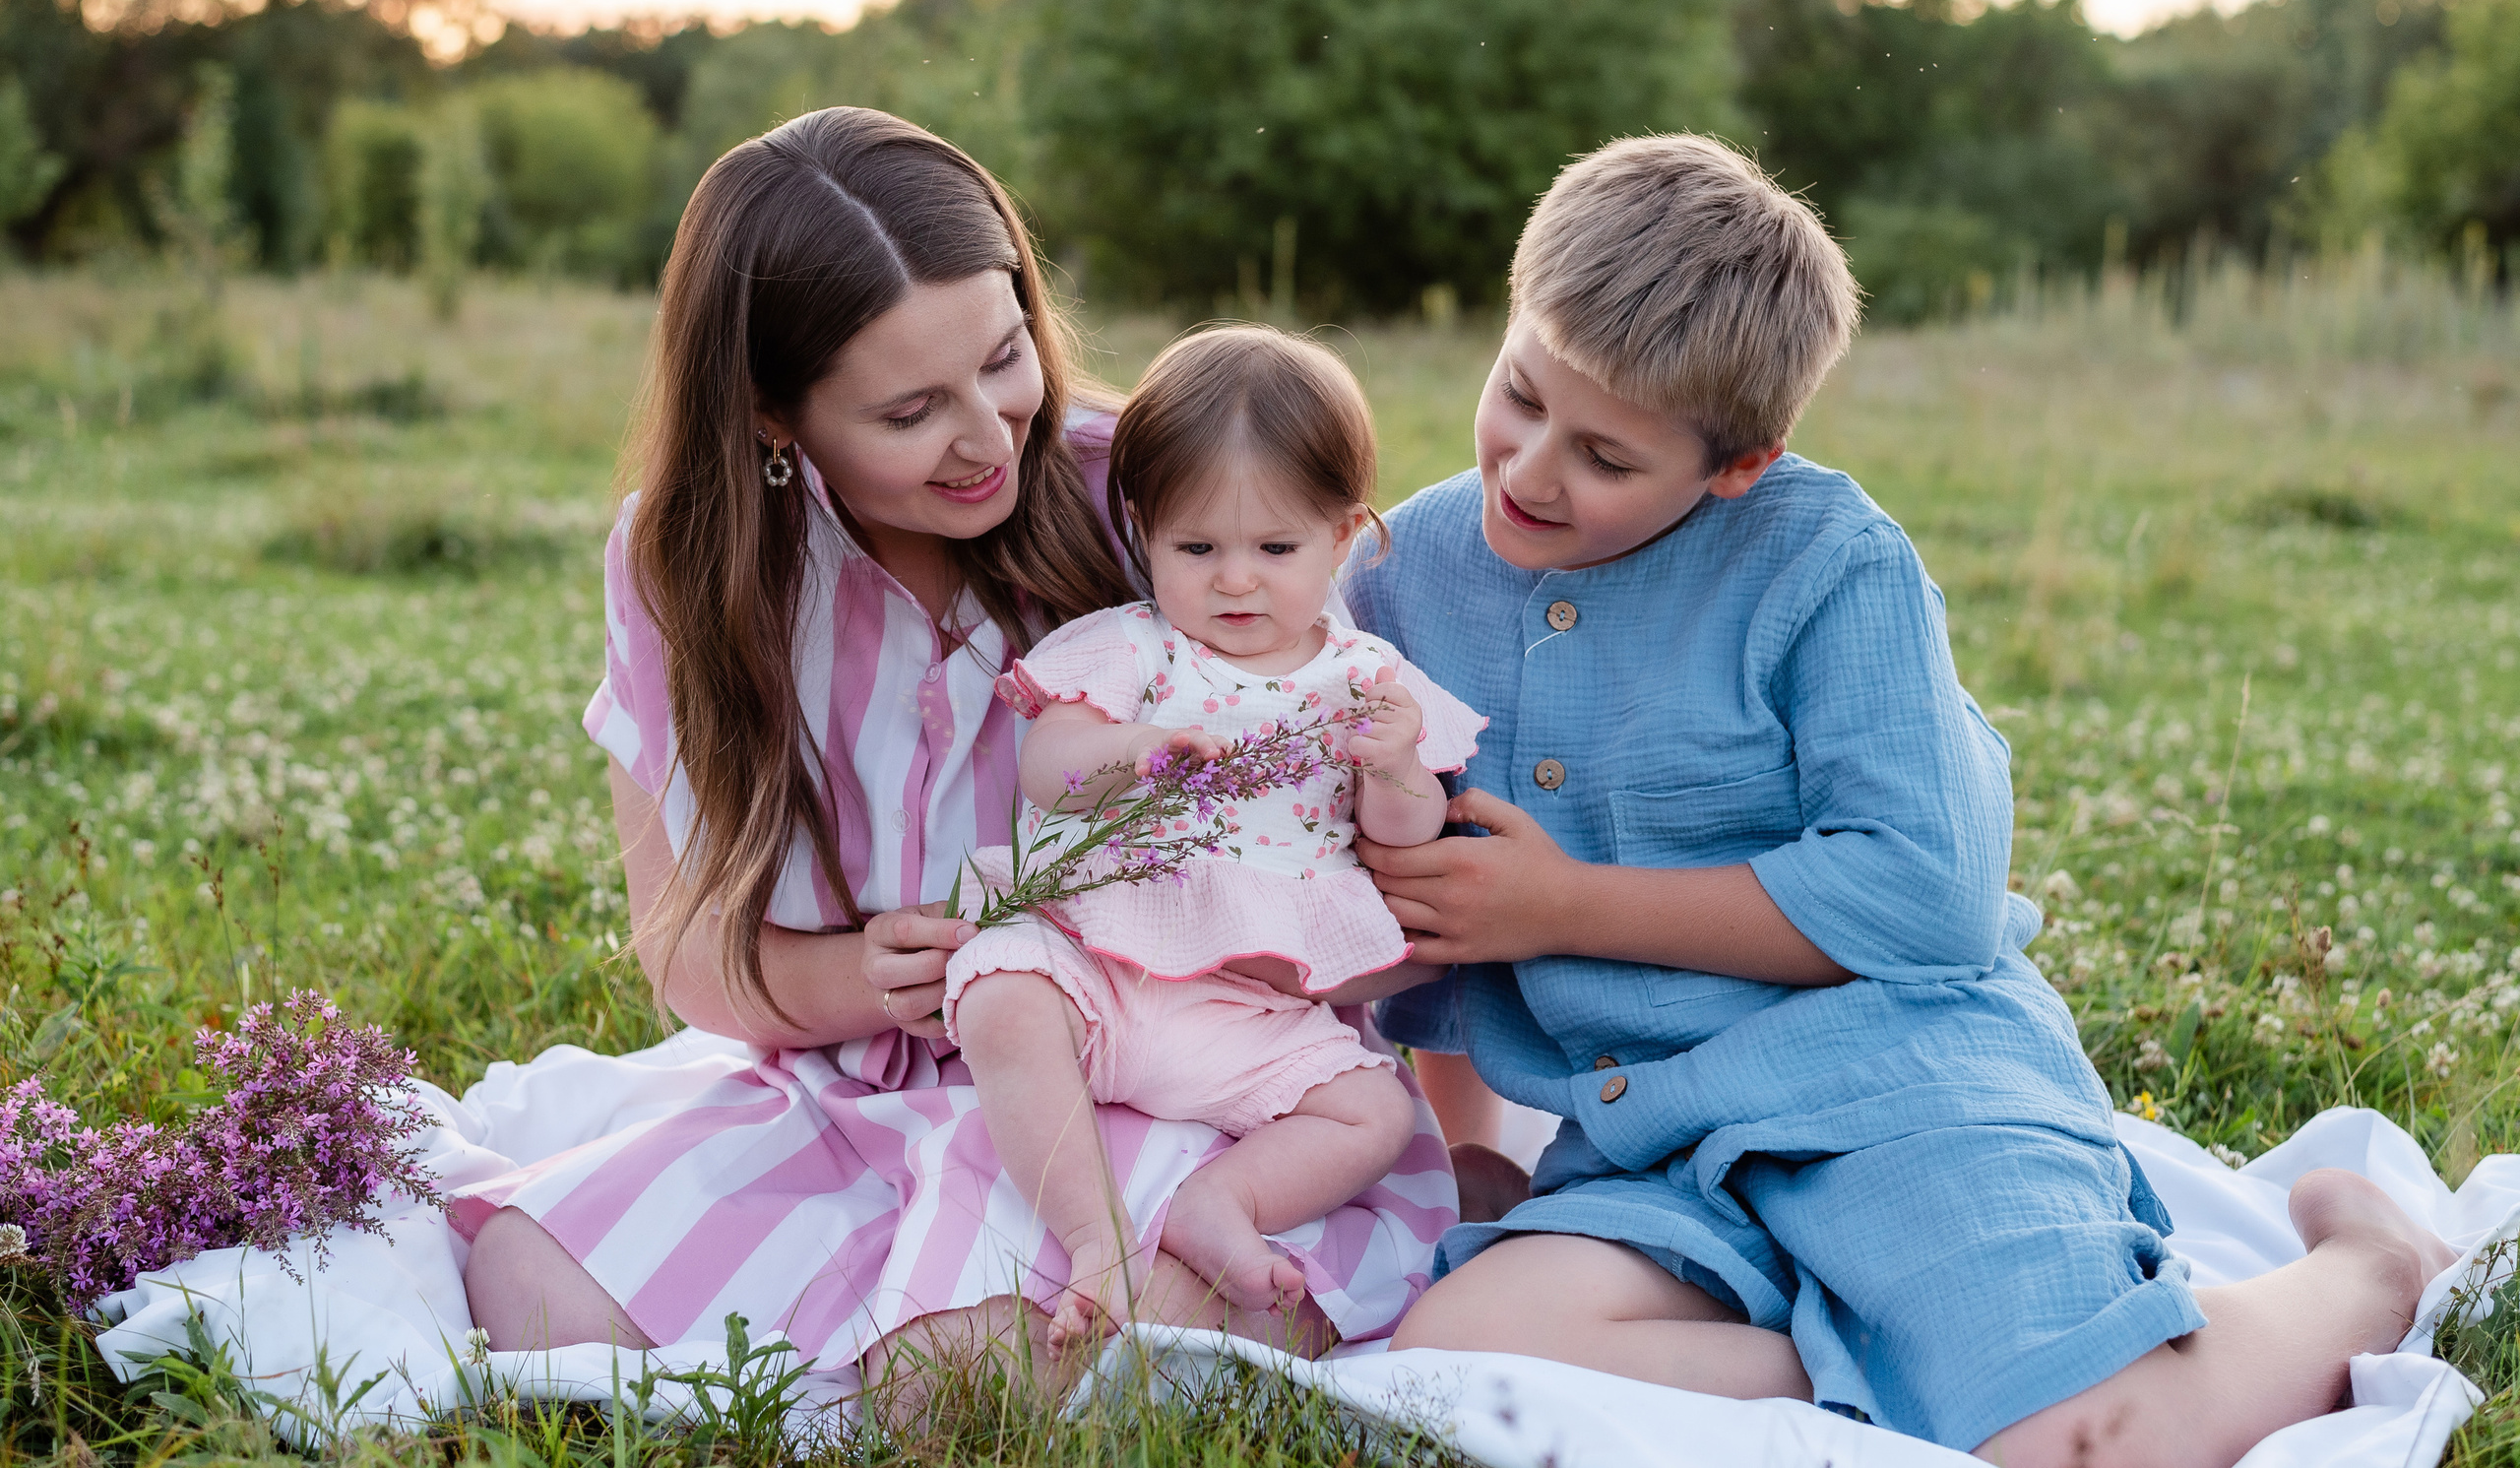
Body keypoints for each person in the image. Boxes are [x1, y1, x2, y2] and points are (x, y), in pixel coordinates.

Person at [1349, 134, 2455, 1468]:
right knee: (1452, 1358)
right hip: (1653, 1141)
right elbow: (1429, 904)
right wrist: (1478, 1153)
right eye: (1518, 394)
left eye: (1604, 456)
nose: (1528, 471)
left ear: (1736, 465)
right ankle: (1890, 1358)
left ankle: (2365, 1272)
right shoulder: (1405, 573)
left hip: (1901, 1081)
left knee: (2085, 1445)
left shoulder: (1833, 564)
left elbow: (1924, 899)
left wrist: (1566, 905)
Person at [450, 109, 1453, 1408]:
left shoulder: (1146, 493)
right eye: (912, 409)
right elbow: (688, 948)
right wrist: (857, 972)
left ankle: (1016, 1322)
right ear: (770, 413)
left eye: (1004, 358)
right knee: (533, 1290)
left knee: (966, 1386)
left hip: (1152, 1087)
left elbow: (1348, 805)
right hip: (849, 1086)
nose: (989, 435)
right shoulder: (687, 567)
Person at [943, 328, 1483, 1345]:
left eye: (1275, 549)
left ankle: (1220, 1203)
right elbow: (1045, 769)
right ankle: (1093, 1233)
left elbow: (1399, 833)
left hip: (1248, 1009)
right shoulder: (1135, 646)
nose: (1235, 581)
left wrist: (1396, 763)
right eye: (1197, 548)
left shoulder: (1365, 678)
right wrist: (1133, 753)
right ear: (1145, 531)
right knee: (1001, 989)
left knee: (1373, 1112)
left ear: (1343, 535)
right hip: (1102, 968)